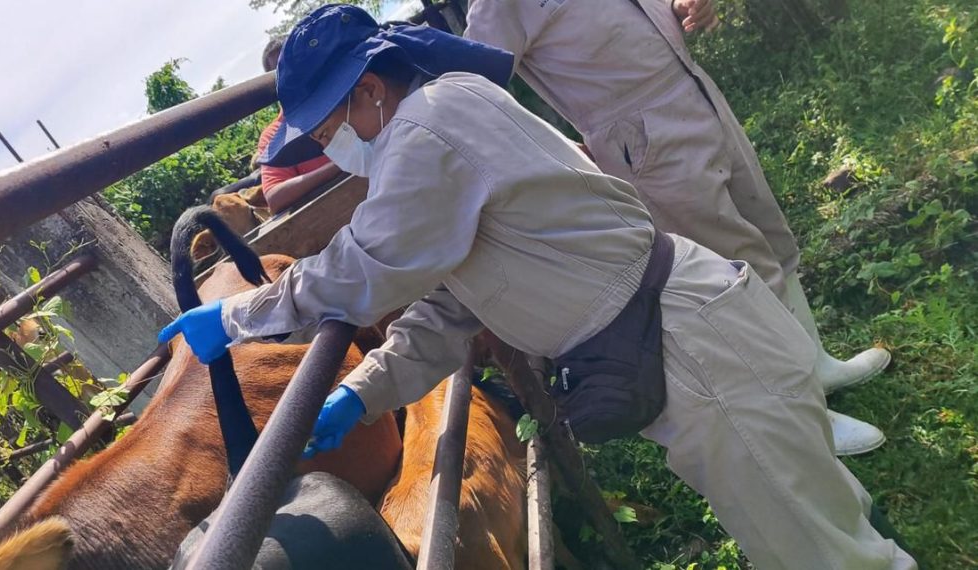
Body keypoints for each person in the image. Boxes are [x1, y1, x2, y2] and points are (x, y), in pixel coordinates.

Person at [158, 5, 916, 569]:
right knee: (810, 514)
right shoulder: (444, 113)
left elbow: (360, 267)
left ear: (368, 92)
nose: (330, 149)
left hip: (689, 348)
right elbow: (456, 302)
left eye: (326, 130)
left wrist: (235, 316)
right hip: (684, 333)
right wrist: (366, 391)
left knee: (818, 549)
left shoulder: (425, 136)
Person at [461, 0, 891, 456]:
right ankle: (806, 419)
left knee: (767, 232)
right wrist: (558, 143)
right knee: (735, 272)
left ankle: (817, 368)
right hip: (640, 132)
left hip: (692, 90)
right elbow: (472, 91)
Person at [256, 35, 344, 215]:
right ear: (273, 83)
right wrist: (340, 165)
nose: (291, 79)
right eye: (280, 73)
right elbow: (275, 197)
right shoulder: (273, 135)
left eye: (294, 67)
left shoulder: (337, 94)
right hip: (335, 213)